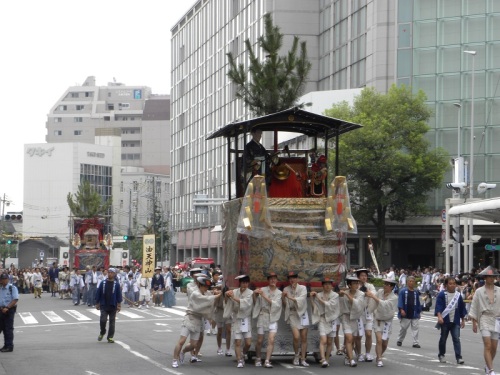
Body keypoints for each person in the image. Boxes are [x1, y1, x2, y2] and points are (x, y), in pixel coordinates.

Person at [172, 277, 221, 368]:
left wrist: (217, 292)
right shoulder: (195, 293)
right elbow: (206, 299)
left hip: (198, 320)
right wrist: (217, 296)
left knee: (193, 344)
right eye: (204, 286)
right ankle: (175, 359)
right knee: (182, 340)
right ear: (199, 285)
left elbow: (211, 297)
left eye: (207, 286)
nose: (206, 288)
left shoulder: (207, 293)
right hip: (189, 318)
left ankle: (183, 352)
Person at [469, 266, 500, 375]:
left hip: (496, 320)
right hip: (484, 318)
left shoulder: (499, 290)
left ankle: (487, 365)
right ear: (485, 278)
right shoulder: (479, 291)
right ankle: (491, 370)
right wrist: (474, 322)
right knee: (487, 345)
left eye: (493, 277)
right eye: (490, 277)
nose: (492, 279)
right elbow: (474, 306)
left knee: (494, 347)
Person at [365, 278, 399, 367]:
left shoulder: (394, 297)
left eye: (387, 284)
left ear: (391, 287)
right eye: (384, 284)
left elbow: (385, 304)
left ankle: (379, 354)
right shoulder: (380, 292)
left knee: (384, 342)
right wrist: (370, 309)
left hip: (387, 321)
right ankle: (379, 358)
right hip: (378, 319)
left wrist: (373, 297)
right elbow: (373, 302)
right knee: (379, 340)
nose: (385, 286)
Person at [253, 272, 283, 368]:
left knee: (271, 339)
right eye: (271, 279)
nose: (272, 280)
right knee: (260, 340)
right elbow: (256, 302)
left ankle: (267, 360)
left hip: (273, 317)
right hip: (263, 315)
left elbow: (277, 305)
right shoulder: (263, 290)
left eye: (274, 279)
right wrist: (255, 294)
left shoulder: (279, 293)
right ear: (268, 280)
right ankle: (258, 357)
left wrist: (264, 296)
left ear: (277, 280)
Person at [435, 276, 467, 365]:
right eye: (450, 284)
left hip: (455, 320)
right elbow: (438, 307)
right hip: (445, 320)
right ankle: (441, 354)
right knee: (443, 338)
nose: (452, 285)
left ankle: (459, 357)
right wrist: (439, 316)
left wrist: (463, 320)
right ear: (446, 285)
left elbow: (461, 308)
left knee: (456, 338)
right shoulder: (442, 294)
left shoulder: (458, 295)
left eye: (454, 284)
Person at [225, 275, 254, 368]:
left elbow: (246, 303)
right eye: (243, 283)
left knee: (248, 343)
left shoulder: (251, 293)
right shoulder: (234, 292)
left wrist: (233, 297)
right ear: (240, 283)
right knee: (238, 341)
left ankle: (243, 353)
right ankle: (239, 360)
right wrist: (227, 294)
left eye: (246, 283)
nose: (244, 284)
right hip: (236, 318)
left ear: (248, 283)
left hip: (246, 318)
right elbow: (226, 301)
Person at [310, 277, 340, 368]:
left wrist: (318, 298)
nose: (327, 286)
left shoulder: (335, 295)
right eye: (325, 284)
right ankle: (322, 359)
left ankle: (327, 358)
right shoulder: (319, 294)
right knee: (323, 340)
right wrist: (312, 298)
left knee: (330, 341)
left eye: (329, 284)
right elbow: (315, 307)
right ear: (322, 286)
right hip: (322, 319)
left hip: (332, 319)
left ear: (332, 286)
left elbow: (330, 305)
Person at [282, 271, 309, 367]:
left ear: (297, 279)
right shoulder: (286, 289)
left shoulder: (303, 288)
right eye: (290, 278)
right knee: (296, 336)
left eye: (293, 278)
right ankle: (296, 355)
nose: (292, 280)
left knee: (304, 337)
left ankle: (303, 358)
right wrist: (283, 298)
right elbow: (285, 305)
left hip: (302, 314)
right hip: (293, 314)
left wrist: (291, 297)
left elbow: (302, 299)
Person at [339, 275, 365, 367]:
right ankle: (351, 359)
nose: (357, 285)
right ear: (349, 285)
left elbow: (357, 304)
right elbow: (339, 302)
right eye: (354, 283)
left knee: (352, 339)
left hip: (355, 318)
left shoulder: (361, 294)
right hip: (346, 318)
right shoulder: (344, 292)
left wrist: (346, 295)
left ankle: (347, 356)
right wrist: (340, 294)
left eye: (357, 283)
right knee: (349, 338)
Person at [95, 267, 122, 343]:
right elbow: (98, 293)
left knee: (112, 323)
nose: (109, 274)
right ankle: (102, 332)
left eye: (111, 272)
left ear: (114, 274)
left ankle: (110, 337)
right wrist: (97, 303)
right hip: (104, 305)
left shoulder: (116, 284)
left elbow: (118, 295)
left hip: (113, 305)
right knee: (103, 320)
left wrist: (119, 304)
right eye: (108, 272)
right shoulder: (103, 283)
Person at [356, 268, 377, 362]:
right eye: (362, 275)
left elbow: (373, 294)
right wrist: (365, 293)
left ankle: (368, 353)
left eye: (365, 275)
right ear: (358, 277)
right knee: (359, 335)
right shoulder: (355, 285)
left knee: (368, 334)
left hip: (368, 313)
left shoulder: (370, 285)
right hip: (359, 313)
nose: (364, 277)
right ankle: (359, 354)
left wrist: (366, 293)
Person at [397, 275, 422, 348]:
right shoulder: (403, 291)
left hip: (414, 313)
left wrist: (419, 312)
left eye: (413, 281)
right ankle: (400, 340)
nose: (411, 283)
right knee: (403, 328)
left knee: (415, 328)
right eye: (410, 281)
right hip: (405, 312)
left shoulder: (416, 292)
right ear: (407, 282)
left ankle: (415, 342)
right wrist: (401, 309)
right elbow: (400, 301)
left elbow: (418, 302)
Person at [0, 273, 19, 352]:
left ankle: (9, 346)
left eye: (5, 279)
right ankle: (5, 345)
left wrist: (7, 307)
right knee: (2, 328)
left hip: (9, 310)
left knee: (8, 329)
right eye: (2, 279)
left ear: (8, 279)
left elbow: (15, 299)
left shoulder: (12, 288)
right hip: (1, 310)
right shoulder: (0, 288)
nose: (4, 280)